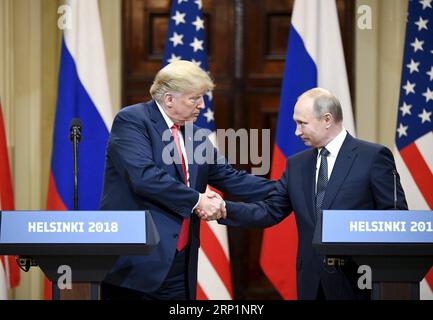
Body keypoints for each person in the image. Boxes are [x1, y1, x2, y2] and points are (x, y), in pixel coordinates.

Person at [209, 87, 408, 300]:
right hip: (312, 283)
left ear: (327, 119)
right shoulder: (297, 165)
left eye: (302, 123)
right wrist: (224, 209)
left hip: (358, 281)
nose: (297, 131)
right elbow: (271, 210)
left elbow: (395, 218)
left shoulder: (373, 157)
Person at [99, 60, 274, 300]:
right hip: (137, 265)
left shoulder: (195, 134)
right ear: (169, 99)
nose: (202, 105)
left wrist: (288, 188)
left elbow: (230, 177)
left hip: (180, 264)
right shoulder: (132, 121)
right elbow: (144, 177)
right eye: (195, 98)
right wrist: (198, 200)